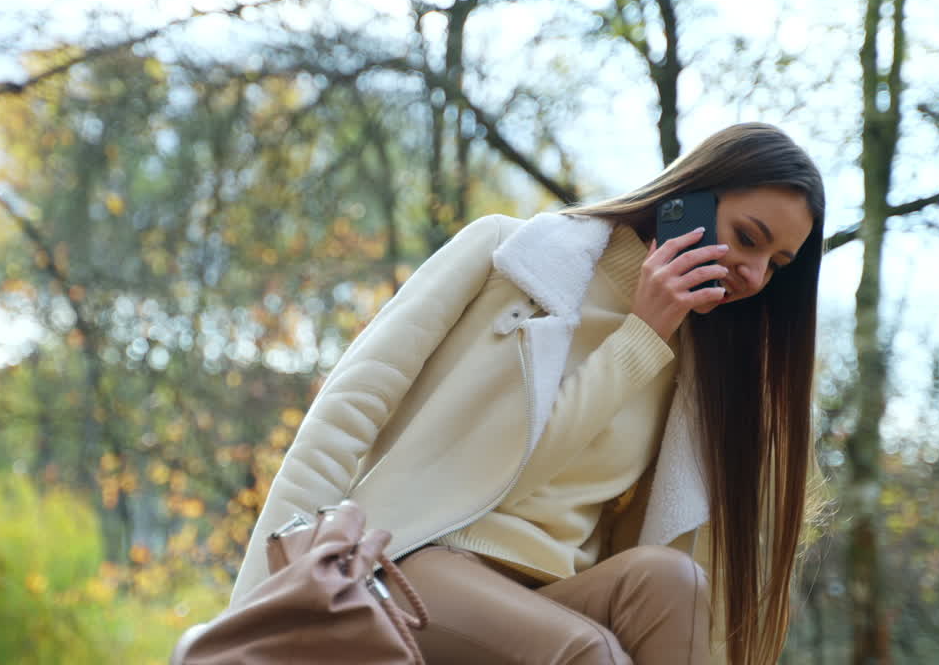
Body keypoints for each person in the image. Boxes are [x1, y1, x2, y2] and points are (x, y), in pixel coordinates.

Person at [229, 123, 827, 665]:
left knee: (675, 581)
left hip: (555, 593)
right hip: (410, 559)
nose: (754, 274)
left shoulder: (692, 367)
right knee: (589, 654)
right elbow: (345, 417)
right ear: (685, 200)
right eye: (748, 237)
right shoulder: (509, 258)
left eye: (777, 264)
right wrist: (257, 610)